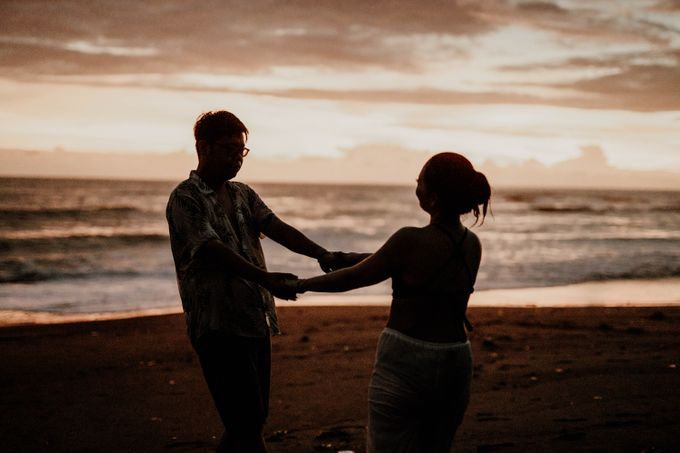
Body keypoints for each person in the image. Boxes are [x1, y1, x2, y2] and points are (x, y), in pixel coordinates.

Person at [166, 110, 346, 453]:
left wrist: (322, 254)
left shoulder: (243, 194)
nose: (238, 157)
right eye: (230, 149)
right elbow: (209, 249)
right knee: (245, 422)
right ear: (203, 147)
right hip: (216, 324)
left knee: (249, 421)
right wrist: (265, 278)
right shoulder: (185, 198)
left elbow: (275, 226)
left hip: (253, 319)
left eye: (242, 151)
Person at [294, 152, 491, 452]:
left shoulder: (409, 240)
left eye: (420, 181)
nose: (416, 186)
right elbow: (401, 265)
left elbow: (356, 278)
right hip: (456, 359)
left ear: (433, 197)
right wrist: (347, 258)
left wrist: (301, 285)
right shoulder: (471, 244)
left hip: (407, 359)